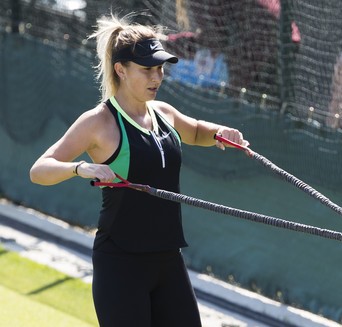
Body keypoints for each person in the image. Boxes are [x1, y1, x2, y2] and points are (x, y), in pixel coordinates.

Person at [29, 13, 249, 327]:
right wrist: (80, 168)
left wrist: (220, 133)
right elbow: (39, 170)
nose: (157, 78)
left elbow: (197, 131)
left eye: (160, 69)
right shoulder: (98, 122)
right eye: (147, 70)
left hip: (167, 260)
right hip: (120, 264)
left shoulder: (163, 112)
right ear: (121, 69)